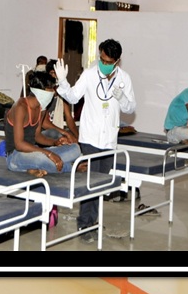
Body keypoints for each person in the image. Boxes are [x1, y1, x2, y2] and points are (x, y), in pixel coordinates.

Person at [54, 39, 138, 241]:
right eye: (101, 59)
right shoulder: (90, 75)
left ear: (117, 61)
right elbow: (73, 97)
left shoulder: (124, 78)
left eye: (108, 61)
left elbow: (130, 109)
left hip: (109, 140)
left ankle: (92, 222)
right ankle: (85, 225)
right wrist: (63, 82)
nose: (103, 63)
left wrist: (120, 96)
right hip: (90, 138)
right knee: (89, 184)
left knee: (101, 185)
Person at [3, 70, 84, 177]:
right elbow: (19, 145)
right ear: (40, 91)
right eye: (51, 89)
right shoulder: (20, 107)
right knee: (40, 159)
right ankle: (73, 167)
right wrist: (49, 153)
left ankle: (33, 167)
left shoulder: (42, 107)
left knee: (75, 149)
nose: (54, 92)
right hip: (15, 156)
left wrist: (55, 143)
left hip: (33, 151)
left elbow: (37, 136)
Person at [42, 60, 79, 144]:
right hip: (43, 133)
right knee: (56, 134)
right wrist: (65, 133)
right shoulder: (44, 92)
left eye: (57, 74)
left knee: (75, 136)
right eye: (52, 73)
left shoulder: (62, 93)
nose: (55, 76)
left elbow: (69, 118)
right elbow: (44, 123)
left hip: (57, 129)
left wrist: (78, 137)